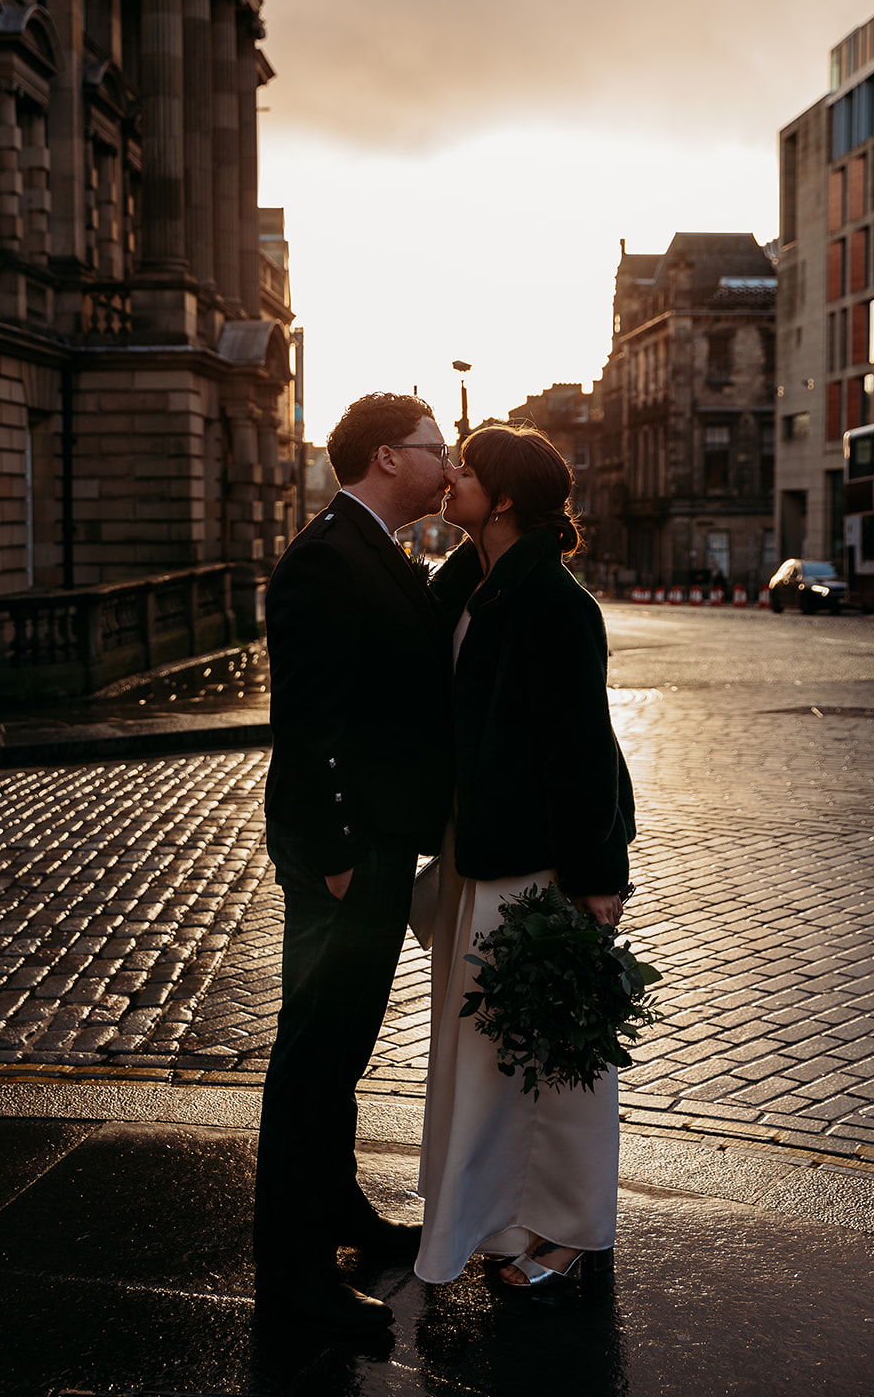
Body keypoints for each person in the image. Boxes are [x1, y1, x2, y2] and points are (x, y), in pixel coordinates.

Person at [415, 423, 636, 1294]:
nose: (452, 479)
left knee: (552, 1054)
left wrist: (597, 880)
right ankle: (500, 1221)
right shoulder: (469, 587)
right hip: (476, 855)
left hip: (537, 865)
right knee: (485, 1056)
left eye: (466, 470)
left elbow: (584, 749)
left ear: (503, 500)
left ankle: (572, 1227)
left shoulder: (554, 602)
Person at [254, 392, 454, 1332]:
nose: (446, 461)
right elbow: (307, 723)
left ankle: (336, 1211)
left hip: (371, 844)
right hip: (345, 853)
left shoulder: (374, 547)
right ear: (386, 457)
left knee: (339, 1056)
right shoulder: (328, 560)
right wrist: (335, 851)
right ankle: (290, 1276)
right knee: (313, 1061)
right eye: (434, 448)